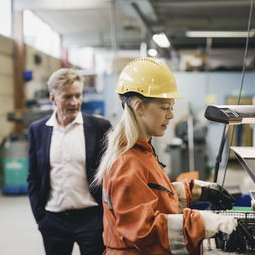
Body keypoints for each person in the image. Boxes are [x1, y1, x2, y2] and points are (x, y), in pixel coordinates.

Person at [93, 57, 238, 255]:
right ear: (139, 106)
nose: (170, 116)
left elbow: (152, 195)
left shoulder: (142, 151)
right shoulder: (127, 161)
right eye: (164, 108)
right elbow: (145, 231)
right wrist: (205, 222)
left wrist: (197, 191)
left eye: (171, 108)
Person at [27, 68, 111, 255]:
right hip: (53, 220)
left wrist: (104, 218)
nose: (74, 102)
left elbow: (111, 175)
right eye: (67, 97)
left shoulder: (99, 128)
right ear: (53, 99)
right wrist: (41, 218)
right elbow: (33, 176)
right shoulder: (38, 130)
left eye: (78, 95)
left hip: (91, 219)